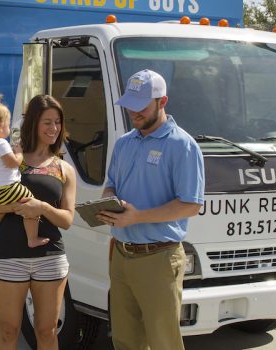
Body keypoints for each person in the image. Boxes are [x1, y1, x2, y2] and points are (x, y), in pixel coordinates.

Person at [96, 69, 204, 350]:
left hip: (159, 258)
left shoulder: (183, 145)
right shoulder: (124, 143)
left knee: (163, 342)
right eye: (130, 105)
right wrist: (110, 202)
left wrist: (137, 217)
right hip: (121, 255)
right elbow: (111, 185)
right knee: (124, 339)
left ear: (162, 101)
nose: (134, 112)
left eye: (141, 106)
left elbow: (191, 205)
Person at [0, 94, 77, 350]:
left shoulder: (63, 169)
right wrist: (15, 207)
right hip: (9, 256)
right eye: (47, 122)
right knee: (8, 331)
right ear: (33, 124)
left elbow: (67, 220)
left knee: (47, 330)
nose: (54, 128)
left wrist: (40, 207)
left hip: (50, 258)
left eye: (57, 122)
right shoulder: (12, 158)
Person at [0, 93, 49, 250]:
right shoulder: (0, 144)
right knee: (32, 206)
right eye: (8, 125)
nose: (9, 128)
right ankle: (32, 239)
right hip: (8, 187)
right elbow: (13, 164)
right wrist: (19, 152)